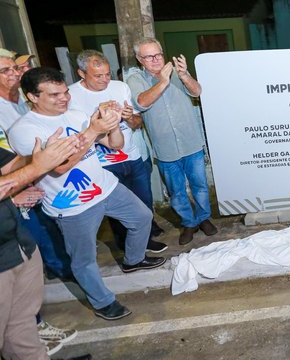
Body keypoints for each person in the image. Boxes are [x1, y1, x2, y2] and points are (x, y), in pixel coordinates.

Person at [8, 67, 166, 321]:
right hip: (71, 205)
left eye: (64, 92)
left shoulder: (75, 114)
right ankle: (103, 302)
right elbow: (59, 167)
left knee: (142, 217)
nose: (63, 98)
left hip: (106, 186)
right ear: (32, 97)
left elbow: (115, 144)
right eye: (54, 95)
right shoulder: (24, 130)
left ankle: (133, 260)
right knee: (84, 259)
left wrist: (113, 123)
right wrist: (92, 130)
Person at [68, 50, 167, 254]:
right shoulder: (71, 97)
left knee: (143, 203)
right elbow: (75, 135)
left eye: (107, 74)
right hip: (103, 163)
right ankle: (125, 246)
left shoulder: (120, 87)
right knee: (117, 210)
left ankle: (145, 241)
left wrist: (130, 117)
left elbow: (137, 123)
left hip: (132, 156)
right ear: (81, 73)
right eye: (98, 76)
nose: (105, 80)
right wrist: (102, 122)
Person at [0, 118, 81, 359]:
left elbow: (11, 165)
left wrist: (47, 155)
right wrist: (36, 168)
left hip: (18, 244)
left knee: (22, 328)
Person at [126, 38, 217, 245]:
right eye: (149, 56)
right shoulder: (136, 79)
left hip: (191, 142)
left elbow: (197, 91)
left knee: (200, 186)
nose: (156, 59)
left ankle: (204, 218)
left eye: (158, 54)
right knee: (176, 191)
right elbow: (141, 102)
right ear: (140, 59)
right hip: (165, 148)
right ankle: (188, 222)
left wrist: (184, 75)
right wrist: (163, 81)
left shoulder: (176, 72)